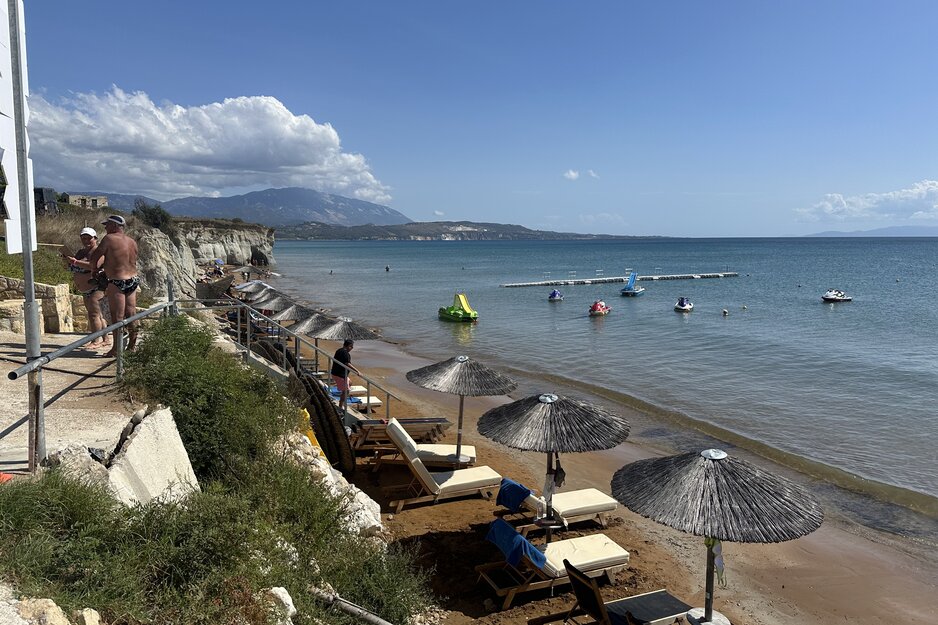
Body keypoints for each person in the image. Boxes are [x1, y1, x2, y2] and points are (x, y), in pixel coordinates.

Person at [88, 215, 139, 357]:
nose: (105, 228)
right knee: (132, 314)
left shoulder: (109, 239)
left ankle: (116, 349)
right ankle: (132, 346)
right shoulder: (132, 241)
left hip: (117, 281)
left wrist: (94, 270)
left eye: (107, 225)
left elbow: (95, 258)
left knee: (117, 317)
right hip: (133, 279)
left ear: (115, 226)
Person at [63, 227, 110, 349]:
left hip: (96, 287)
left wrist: (74, 262)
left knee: (94, 315)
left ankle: (96, 340)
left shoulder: (98, 252)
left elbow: (93, 266)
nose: (86, 240)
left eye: (89, 238)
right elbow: (70, 267)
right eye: (83, 238)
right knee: (98, 315)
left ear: (95, 238)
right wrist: (67, 260)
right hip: (85, 289)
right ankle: (106, 339)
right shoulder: (80, 253)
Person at [331, 339, 361, 412]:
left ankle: (341, 391)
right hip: (340, 375)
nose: (352, 348)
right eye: (352, 347)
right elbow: (347, 363)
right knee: (346, 391)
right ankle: (341, 406)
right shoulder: (345, 353)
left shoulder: (339, 350)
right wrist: (357, 371)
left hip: (336, 373)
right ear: (349, 346)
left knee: (350, 382)